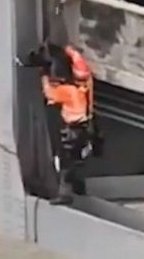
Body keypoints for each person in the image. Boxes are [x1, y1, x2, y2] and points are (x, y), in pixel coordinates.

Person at [23, 42, 96, 205]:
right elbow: (78, 62)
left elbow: (49, 93)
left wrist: (43, 75)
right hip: (83, 126)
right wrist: (70, 51)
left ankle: (65, 194)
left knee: (65, 162)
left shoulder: (67, 91)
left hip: (73, 129)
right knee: (76, 160)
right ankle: (79, 188)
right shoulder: (84, 84)